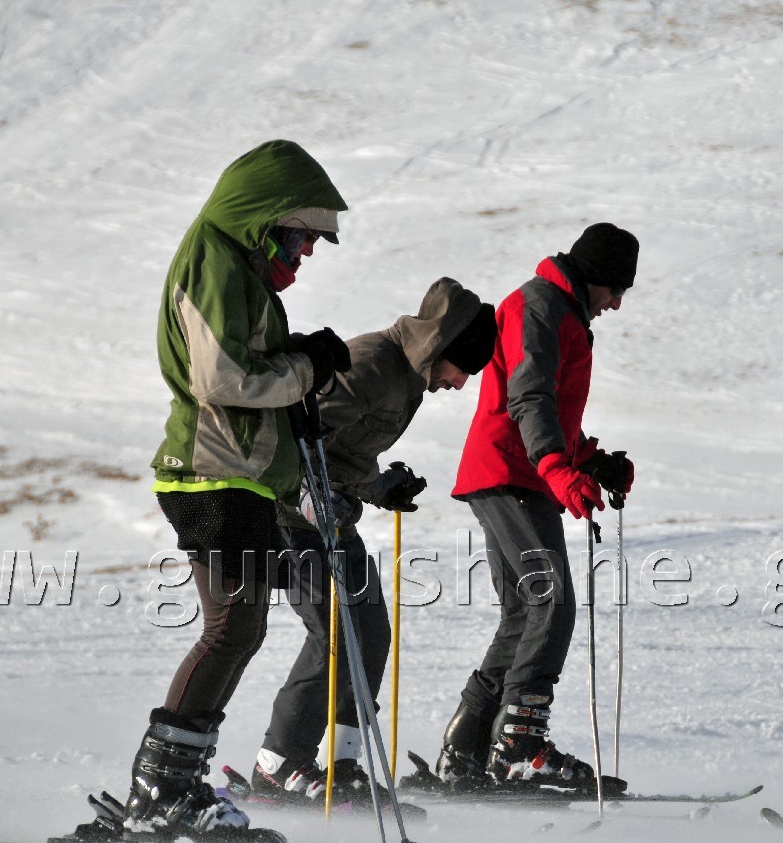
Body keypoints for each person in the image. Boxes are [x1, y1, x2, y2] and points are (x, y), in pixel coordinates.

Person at [103, 140, 353, 841]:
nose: (304, 254)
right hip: (207, 474)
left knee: (239, 628)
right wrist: (305, 367)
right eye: (302, 236)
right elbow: (224, 378)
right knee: (232, 627)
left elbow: (251, 363)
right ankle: (160, 790)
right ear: (267, 222)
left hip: (232, 477)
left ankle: (171, 787)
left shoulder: (242, 274)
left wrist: (301, 358)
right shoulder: (215, 257)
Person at [247, 277, 498, 810]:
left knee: (370, 633)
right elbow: (295, 445)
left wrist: (379, 486)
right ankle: (278, 766)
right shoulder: (370, 365)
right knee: (334, 632)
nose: (459, 384)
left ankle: (343, 766)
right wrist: (327, 498)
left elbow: (343, 457)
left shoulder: (407, 377)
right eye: (463, 370)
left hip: (331, 518)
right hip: (291, 516)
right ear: (442, 346)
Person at [435, 223, 639, 790]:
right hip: (512, 471)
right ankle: (519, 747)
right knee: (553, 602)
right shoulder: (538, 304)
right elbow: (528, 397)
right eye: (616, 289)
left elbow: (550, 408)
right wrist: (556, 468)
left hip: (516, 470)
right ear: (596, 277)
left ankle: (467, 745)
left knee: (524, 614)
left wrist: (590, 461)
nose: (617, 303)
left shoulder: (560, 309)